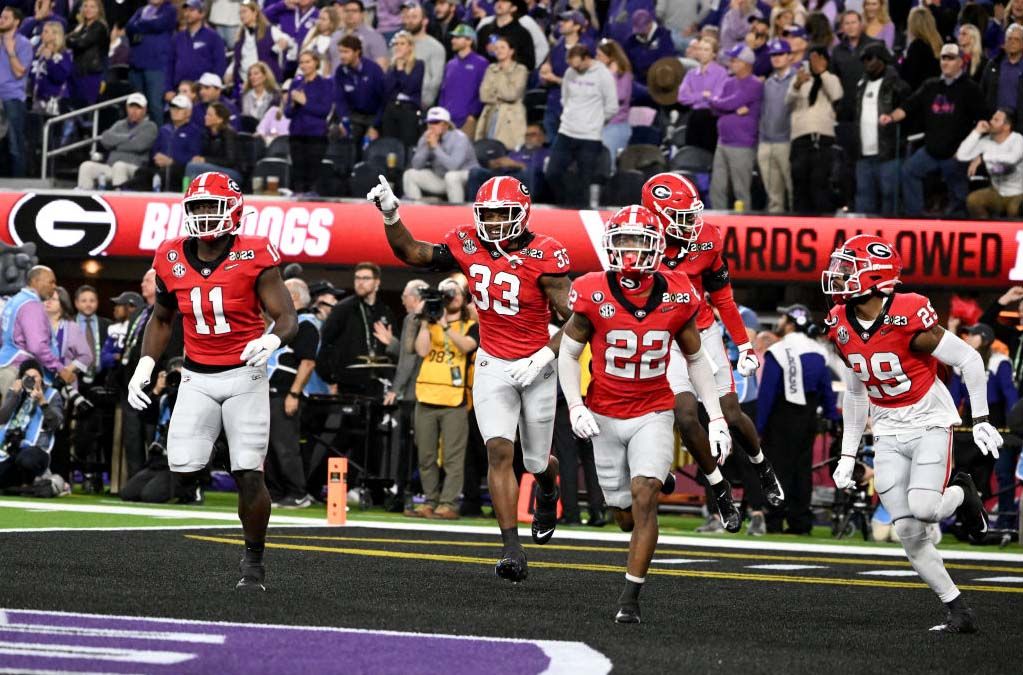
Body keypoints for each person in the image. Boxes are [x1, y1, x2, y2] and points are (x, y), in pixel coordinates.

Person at [368, 173, 571, 582]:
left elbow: (576, 321)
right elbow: (412, 252)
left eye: (503, 213)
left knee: (533, 461)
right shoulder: (467, 242)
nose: (494, 222)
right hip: (492, 361)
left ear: (523, 213)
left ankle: (548, 485)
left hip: (537, 364)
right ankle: (511, 549)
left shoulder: (547, 254)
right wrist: (391, 214)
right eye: (488, 213)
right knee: (499, 451)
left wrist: (545, 354)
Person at [558, 204, 732, 623]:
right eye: (624, 241)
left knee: (644, 499)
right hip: (603, 413)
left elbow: (695, 360)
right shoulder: (592, 288)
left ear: (657, 247)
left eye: (640, 241)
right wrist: (576, 405)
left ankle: (629, 600)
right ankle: (658, 478)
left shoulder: (677, 291)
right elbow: (568, 353)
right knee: (622, 514)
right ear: (610, 246)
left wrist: (718, 417)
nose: (632, 251)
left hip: (654, 410)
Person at [127, 172, 298, 591]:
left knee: (249, 474)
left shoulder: (255, 252)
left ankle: (253, 561)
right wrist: (146, 363)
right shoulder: (169, 255)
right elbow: (163, 317)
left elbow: (287, 316)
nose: (204, 215)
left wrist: (271, 339)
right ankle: (223, 443)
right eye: (198, 206)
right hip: (197, 376)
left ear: (234, 208)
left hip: (245, 375)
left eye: (212, 205)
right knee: (182, 465)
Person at [824, 234, 1002, 632]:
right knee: (906, 529)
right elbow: (855, 391)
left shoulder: (909, 312)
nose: (839, 276)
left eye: (849, 268)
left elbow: (969, 360)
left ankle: (963, 492)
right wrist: (849, 453)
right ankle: (958, 610)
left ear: (878, 277)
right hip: (886, 428)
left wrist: (982, 418)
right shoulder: (838, 321)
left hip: (928, 422)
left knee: (925, 508)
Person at [642, 172, 785, 531]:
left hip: (702, 330)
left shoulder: (706, 238)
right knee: (687, 415)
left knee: (730, 412)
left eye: (693, 214)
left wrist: (745, 345)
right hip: (663, 336)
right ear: (657, 216)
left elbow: (722, 296)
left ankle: (761, 464)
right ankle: (719, 488)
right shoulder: (638, 241)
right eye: (682, 216)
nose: (691, 224)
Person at [756, 304, 837, 534]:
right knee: (802, 470)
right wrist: (831, 416)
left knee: (777, 470)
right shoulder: (818, 350)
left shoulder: (779, 351)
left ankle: (774, 520)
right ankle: (800, 521)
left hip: (781, 415)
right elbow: (826, 389)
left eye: (783, 317)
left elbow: (767, 392)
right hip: (807, 417)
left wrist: (759, 426)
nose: (780, 321)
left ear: (790, 322)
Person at [882, 43, 987, 216]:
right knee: (909, 171)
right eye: (943, 58)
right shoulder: (930, 86)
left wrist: (974, 151)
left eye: (950, 58)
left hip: (957, 154)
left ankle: (956, 224)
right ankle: (916, 217)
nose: (945, 62)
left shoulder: (970, 89)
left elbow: (983, 119)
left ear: (961, 62)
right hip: (931, 151)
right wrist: (891, 117)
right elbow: (909, 106)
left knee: (959, 196)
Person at [410, 277, 478, 519]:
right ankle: (430, 501)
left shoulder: (470, 324)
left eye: (457, 293)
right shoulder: (431, 322)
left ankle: (448, 503)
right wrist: (427, 322)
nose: (454, 296)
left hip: (454, 400)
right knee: (426, 456)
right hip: (426, 395)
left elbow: (467, 347)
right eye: (448, 293)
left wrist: (446, 326)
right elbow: (421, 350)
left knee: (452, 457)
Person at [544, 44, 618, 208]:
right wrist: (570, 115)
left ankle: (581, 215)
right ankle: (564, 205)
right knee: (552, 173)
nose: (574, 69)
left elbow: (612, 106)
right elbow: (565, 98)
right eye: (571, 65)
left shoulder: (604, 75)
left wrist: (597, 121)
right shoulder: (570, 72)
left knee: (585, 180)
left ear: (587, 59)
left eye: (578, 65)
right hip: (567, 131)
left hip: (590, 136)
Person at [265, 278, 317, 509]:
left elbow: (307, 363)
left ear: (293, 296)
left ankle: (298, 493)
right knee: (268, 447)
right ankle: (277, 492)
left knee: (285, 446)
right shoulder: (283, 323)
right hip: (268, 393)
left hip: (285, 393)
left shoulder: (305, 324)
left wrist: (294, 394)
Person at [315, 262, 398, 396]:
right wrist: (329, 379)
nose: (360, 282)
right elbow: (325, 345)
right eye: (357, 278)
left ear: (377, 282)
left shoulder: (386, 312)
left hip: (379, 382)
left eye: (365, 278)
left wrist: (391, 342)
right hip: (349, 383)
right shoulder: (342, 309)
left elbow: (396, 349)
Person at [0, 266, 72, 399]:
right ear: (35, 281)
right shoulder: (31, 305)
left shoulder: (14, 301)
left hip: (6, 367)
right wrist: (59, 368)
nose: (54, 286)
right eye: (51, 282)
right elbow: (37, 346)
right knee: (19, 419)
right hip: (20, 373)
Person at [854, 43, 910, 215]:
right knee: (864, 199)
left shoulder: (898, 86)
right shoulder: (861, 85)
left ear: (882, 59)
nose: (867, 63)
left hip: (888, 153)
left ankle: (889, 239)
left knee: (890, 198)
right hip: (864, 154)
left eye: (870, 58)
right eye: (864, 59)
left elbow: (909, 114)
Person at [787, 46, 843, 214]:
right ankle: (799, 225)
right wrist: (797, 85)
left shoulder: (831, 78)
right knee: (799, 184)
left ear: (826, 60)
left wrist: (822, 73)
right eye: (812, 58)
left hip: (823, 140)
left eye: (819, 58)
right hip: (800, 139)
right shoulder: (799, 78)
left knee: (819, 184)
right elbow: (787, 102)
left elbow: (837, 94)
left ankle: (822, 228)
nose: (815, 62)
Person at [708, 44, 763, 211]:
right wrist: (727, 108)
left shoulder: (754, 84)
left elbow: (730, 102)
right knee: (717, 187)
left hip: (742, 144)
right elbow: (716, 108)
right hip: (722, 142)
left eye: (734, 60)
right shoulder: (729, 83)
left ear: (745, 63)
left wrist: (721, 104)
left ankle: (743, 222)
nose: (730, 63)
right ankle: (717, 222)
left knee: (741, 189)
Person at [0, 359, 63, 489]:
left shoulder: (52, 394)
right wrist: (12, 395)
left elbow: (57, 424)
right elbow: (2, 419)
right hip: (11, 450)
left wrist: (42, 402)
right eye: (27, 377)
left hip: (36, 451)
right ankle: (23, 484)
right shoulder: (18, 394)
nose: (31, 380)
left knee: (26, 459)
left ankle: (42, 478)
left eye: (34, 377)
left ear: (41, 378)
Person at [77, 93, 159, 189]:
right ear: (126, 108)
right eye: (131, 107)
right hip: (110, 167)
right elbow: (105, 139)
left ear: (144, 110)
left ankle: (119, 199)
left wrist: (115, 143)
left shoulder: (150, 126)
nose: (134, 111)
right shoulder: (119, 124)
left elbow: (139, 145)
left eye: (138, 108)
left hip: (135, 169)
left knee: (119, 166)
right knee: (86, 166)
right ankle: (86, 200)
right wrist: (129, 137)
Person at [538, 10, 594, 143]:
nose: (561, 24)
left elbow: (585, 82)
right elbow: (545, 79)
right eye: (560, 21)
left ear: (577, 26)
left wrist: (555, 79)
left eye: (566, 21)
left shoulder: (588, 48)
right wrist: (544, 75)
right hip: (554, 102)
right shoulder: (557, 48)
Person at [283, 50, 334, 195]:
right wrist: (292, 104)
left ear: (316, 63)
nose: (304, 65)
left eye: (308, 61)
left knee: (313, 173)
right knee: (297, 171)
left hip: (316, 135)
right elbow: (287, 113)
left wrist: (305, 102)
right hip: (296, 134)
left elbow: (324, 111)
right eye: (302, 62)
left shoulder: (325, 84)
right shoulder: (296, 83)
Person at [403, 106, 478, 203]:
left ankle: (457, 214)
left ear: (446, 125)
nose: (431, 126)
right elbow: (416, 166)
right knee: (409, 174)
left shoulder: (459, 138)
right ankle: (418, 211)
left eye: (436, 122)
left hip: (467, 178)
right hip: (442, 178)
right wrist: (427, 145)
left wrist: (435, 147)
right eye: (429, 122)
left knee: (451, 176)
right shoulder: (426, 137)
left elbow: (453, 166)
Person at [956, 108, 1023, 217]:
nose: (990, 122)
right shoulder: (986, 141)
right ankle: (987, 228)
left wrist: (983, 157)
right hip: (996, 192)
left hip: (1018, 193)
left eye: (996, 120)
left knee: (1014, 210)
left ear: (1006, 126)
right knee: (973, 200)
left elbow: (1012, 159)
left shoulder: (1018, 139)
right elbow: (961, 155)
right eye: (992, 118)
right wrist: (976, 132)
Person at [757, 38, 795, 213]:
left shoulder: (797, 80)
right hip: (767, 142)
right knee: (773, 197)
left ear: (789, 56)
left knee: (793, 191)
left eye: (780, 54)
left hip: (788, 142)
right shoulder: (768, 82)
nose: (776, 58)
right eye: (773, 55)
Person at [164, 0, 226, 102]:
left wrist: (211, 87)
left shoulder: (213, 37)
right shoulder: (177, 38)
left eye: (192, 10)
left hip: (203, 90)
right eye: (186, 11)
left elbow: (220, 64)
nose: (187, 14)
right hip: (180, 89)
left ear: (202, 14)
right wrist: (168, 89)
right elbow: (170, 64)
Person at [125, 0, 177, 122]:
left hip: (156, 66)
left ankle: (159, 138)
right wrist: (146, 25)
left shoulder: (169, 10)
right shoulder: (141, 10)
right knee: (136, 106)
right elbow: (129, 27)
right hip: (136, 65)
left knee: (155, 106)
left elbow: (159, 24)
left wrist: (140, 24)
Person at [333, 35, 387, 151]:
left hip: (373, 117)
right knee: (340, 136)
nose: (342, 56)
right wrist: (344, 120)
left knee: (369, 147)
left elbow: (384, 100)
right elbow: (340, 99)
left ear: (357, 52)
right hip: (354, 116)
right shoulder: (340, 71)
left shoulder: (374, 70)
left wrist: (375, 126)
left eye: (346, 52)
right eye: (340, 52)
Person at [466, 122, 548, 198]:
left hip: (522, 178)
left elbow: (539, 171)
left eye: (533, 134)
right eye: (527, 135)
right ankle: (473, 206)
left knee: (529, 173)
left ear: (543, 137)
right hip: (503, 175)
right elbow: (505, 162)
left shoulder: (546, 153)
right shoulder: (517, 151)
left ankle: (528, 207)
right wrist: (496, 164)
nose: (529, 137)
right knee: (476, 172)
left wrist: (516, 164)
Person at [475, 36, 528, 153]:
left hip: (511, 119)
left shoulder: (520, 70)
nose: (498, 51)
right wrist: (500, 96)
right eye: (496, 48)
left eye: (502, 48)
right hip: (491, 114)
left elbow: (511, 95)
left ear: (511, 51)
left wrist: (502, 73)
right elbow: (484, 95)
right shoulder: (491, 68)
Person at [1, 7, 35, 177]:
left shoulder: (23, 43)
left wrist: (10, 50)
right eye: (1, 17)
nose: (1, 20)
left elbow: (20, 72)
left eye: (6, 17)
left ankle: (18, 183)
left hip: (12, 98)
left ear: (16, 22)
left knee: (15, 145)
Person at [678, 36, 727, 153]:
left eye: (706, 50)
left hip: (711, 118)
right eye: (700, 49)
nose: (702, 53)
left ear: (714, 54)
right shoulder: (691, 74)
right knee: (691, 152)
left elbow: (717, 98)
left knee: (707, 154)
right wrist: (702, 95)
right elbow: (682, 97)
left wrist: (695, 96)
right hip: (694, 117)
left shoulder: (721, 73)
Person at [437, 24, 489, 136]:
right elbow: (443, 91)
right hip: (448, 120)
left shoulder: (481, 63)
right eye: (453, 37)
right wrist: (442, 114)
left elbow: (483, 91)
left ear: (469, 41)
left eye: (457, 37)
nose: (453, 40)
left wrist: (473, 115)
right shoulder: (450, 64)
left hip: (467, 120)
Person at [229, 1, 289, 96]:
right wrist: (230, 72)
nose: (241, 15)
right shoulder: (239, 35)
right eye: (240, 13)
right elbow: (237, 59)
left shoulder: (269, 30)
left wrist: (284, 41)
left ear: (255, 12)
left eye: (244, 12)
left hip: (266, 85)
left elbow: (285, 39)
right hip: (245, 83)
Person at [377, 30, 424, 148]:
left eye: (402, 43)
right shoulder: (391, 67)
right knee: (390, 145)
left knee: (406, 145)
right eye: (396, 44)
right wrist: (397, 68)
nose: (398, 47)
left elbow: (409, 88)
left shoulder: (418, 65)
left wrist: (400, 69)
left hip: (409, 111)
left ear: (410, 47)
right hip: (391, 110)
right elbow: (387, 90)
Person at [622, 9, 674, 105]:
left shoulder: (663, 36)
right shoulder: (630, 42)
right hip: (639, 83)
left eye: (642, 28)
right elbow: (625, 63)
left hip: (659, 83)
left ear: (650, 24)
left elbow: (667, 61)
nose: (640, 32)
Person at [596, 38, 633, 168]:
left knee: (610, 166)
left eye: (600, 56)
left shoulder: (623, 75)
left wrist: (611, 74)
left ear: (611, 58)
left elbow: (618, 96)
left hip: (615, 127)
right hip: (599, 126)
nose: (597, 59)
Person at [400, 1, 444, 107]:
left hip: (420, 104)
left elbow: (436, 80)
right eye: (408, 17)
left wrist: (426, 102)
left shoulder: (435, 47)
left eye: (414, 17)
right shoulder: (399, 43)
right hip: (398, 101)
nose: (410, 21)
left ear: (425, 21)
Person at [44, 286, 92, 385]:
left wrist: (66, 370)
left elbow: (86, 356)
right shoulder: (35, 324)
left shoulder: (72, 327)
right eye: (46, 298)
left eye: (53, 299)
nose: (48, 301)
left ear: (63, 304)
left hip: (63, 383)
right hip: (39, 382)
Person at [185, 103, 242, 185]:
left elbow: (230, 161)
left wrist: (205, 160)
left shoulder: (229, 134)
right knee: (193, 164)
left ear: (219, 119)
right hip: (214, 167)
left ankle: (189, 192)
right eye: (206, 114)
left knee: (192, 167)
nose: (205, 117)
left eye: (209, 115)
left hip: (232, 171)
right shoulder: (207, 134)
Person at [65, 0, 108, 108]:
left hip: (90, 73)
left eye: (92, 7)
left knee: (86, 108)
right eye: (86, 6)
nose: (88, 9)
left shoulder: (99, 27)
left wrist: (72, 39)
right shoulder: (81, 27)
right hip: (76, 72)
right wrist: (74, 36)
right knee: (73, 107)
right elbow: (66, 40)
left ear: (99, 10)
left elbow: (81, 43)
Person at [981, 24, 1023, 131]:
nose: (1012, 42)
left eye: (1017, 39)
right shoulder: (993, 65)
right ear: (1004, 42)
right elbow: (982, 91)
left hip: (1019, 125)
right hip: (994, 122)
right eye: (1009, 39)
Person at [328, 0, 389, 74]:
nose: (350, 14)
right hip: (335, 82)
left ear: (362, 14)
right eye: (347, 11)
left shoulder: (374, 37)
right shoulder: (335, 36)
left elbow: (381, 67)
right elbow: (329, 62)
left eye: (354, 11)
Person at [476, 0, 535, 72]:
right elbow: (476, 55)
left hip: (510, 78)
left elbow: (530, 63)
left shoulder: (522, 33)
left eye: (504, 1)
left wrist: (506, 56)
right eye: (497, 1)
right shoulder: (484, 30)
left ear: (513, 8)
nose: (499, 3)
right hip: (486, 77)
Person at [900, 6, 941, 92]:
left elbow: (909, 77)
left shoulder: (916, 47)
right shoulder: (938, 43)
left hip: (919, 96)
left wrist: (901, 62)